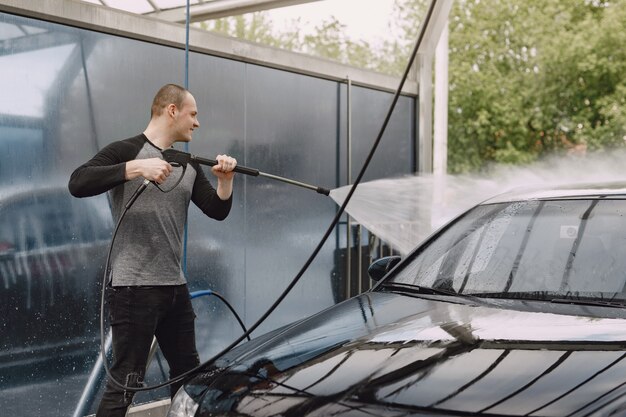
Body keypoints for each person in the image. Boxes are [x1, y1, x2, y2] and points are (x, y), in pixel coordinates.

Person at [68, 83, 237, 417]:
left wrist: (225, 180)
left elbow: (216, 210)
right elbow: (78, 182)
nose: (197, 123)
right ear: (172, 110)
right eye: (193, 114)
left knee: (189, 377)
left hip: (174, 287)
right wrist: (137, 168)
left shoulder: (187, 163)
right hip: (134, 289)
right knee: (126, 381)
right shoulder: (125, 150)